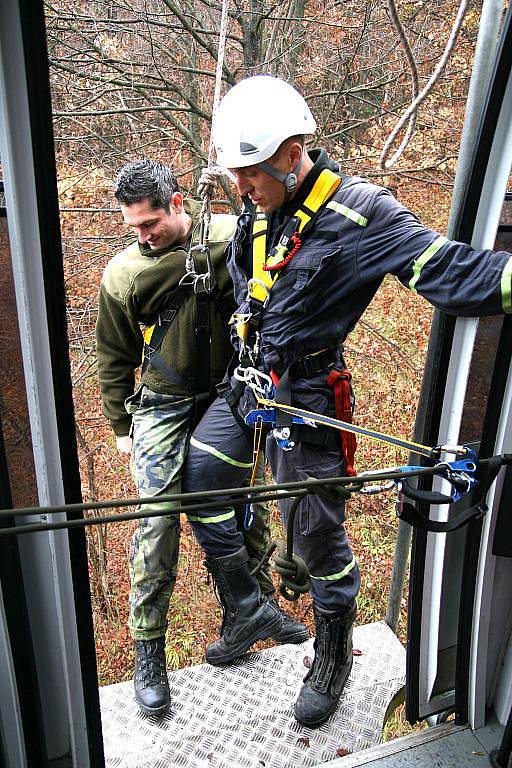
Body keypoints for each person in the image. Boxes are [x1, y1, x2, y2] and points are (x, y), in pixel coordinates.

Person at [181, 75, 512, 728]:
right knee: (204, 476)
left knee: (315, 536)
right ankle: (247, 606)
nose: (240, 189)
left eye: (249, 174)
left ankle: (334, 651)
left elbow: (453, 274)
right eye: (236, 176)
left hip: (305, 398)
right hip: (252, 379)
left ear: (289, 152)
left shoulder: (364, 214)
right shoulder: (258, 206)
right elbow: (254, 280)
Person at [95, 159, 308, 718]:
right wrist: (122, 427)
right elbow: (114, 357)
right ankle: (149, 650)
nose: (143, 234)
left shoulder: (228, 236)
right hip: (162, 405)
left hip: (226, 397)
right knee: (160, 518)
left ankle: (249, 611)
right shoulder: (124, 275)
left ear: (177, 205)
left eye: (152, 223)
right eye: (134, 226)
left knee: (244, 505)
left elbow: (273, 258)